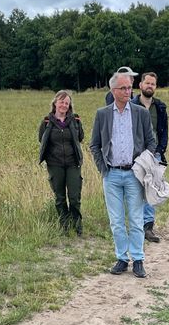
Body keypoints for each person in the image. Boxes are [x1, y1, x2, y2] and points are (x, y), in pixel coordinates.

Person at [89, 68, 158, 279]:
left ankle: (138, 259)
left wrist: (142, 164)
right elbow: (95, 145)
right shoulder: (102, 114)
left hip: (133, 174)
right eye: (123, 88)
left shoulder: (140, 113)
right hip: (111, 175)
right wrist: (103, 169)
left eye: (129, 87)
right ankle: (121, 258)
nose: (128, 91)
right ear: (113, 90)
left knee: (136, 219)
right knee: (117, 221)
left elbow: (151, 142)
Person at [37, 90, 85, 235]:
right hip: (54, 164)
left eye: (66, 103)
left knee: (74, 197)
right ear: (55, 103)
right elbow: (42, 139)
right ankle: (64, 225)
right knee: (60, 197)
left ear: (69, 105)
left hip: (72, 163)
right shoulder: (47, 121)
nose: (63, 105)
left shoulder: (75, 120)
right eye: (61, 102)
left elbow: (80, 137)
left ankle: (77, 224)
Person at [131, 71, 169, 243]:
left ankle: (148, 227)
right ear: (140, 85)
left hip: (154, 154)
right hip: (136, 153)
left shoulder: (160, 107)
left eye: (153, 84)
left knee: (151, 189)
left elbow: (164, 131)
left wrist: (160, 150)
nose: (149, 86)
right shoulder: (131, 105)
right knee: (135, 189)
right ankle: (136, 225)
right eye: (147, 83)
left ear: (155, 87)